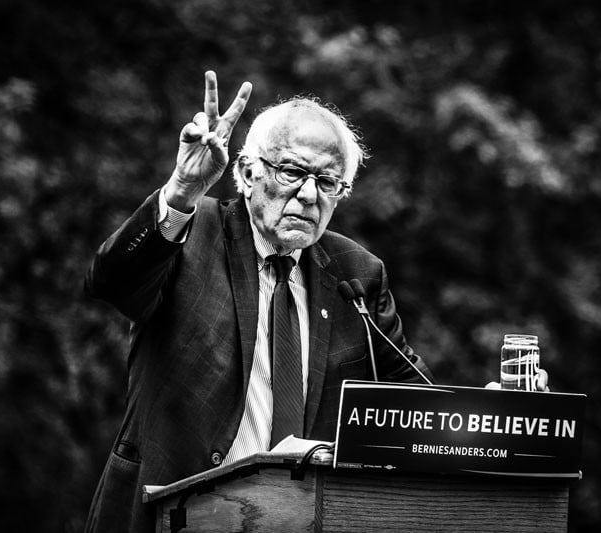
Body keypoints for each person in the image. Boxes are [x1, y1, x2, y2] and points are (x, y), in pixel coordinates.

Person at [82, 71, 435, 533]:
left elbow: (414, 401)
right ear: (249, 174)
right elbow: (112, 281)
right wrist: (183, 191)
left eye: (328, 182)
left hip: (298, 519)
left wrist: (493, 417)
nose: (308, 195)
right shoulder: (193, 233)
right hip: (170, 512)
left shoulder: (357, 274)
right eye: (292, 172)